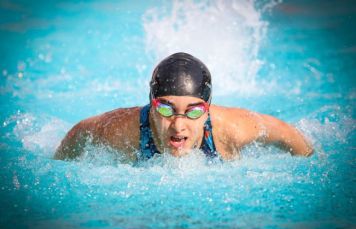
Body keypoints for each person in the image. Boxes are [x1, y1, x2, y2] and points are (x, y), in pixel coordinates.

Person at [54, 52, 313, 161]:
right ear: (151, 104)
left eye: (194, 111)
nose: (178, 126)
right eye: (166, 108)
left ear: (208, 109)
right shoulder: (123, 130)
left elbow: (287, 134)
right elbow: (79, 132)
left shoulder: (231, 129)